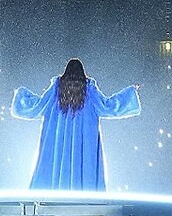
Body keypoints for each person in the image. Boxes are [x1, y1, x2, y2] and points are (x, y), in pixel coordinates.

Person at [11, 58, 140, 191]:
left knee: (53, 167)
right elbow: (109, 107)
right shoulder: (89, 90)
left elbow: (37, 106)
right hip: (83, 144)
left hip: (58, 142)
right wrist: (131, 92)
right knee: (83, 168)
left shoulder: (56, 90)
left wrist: (20, 95)